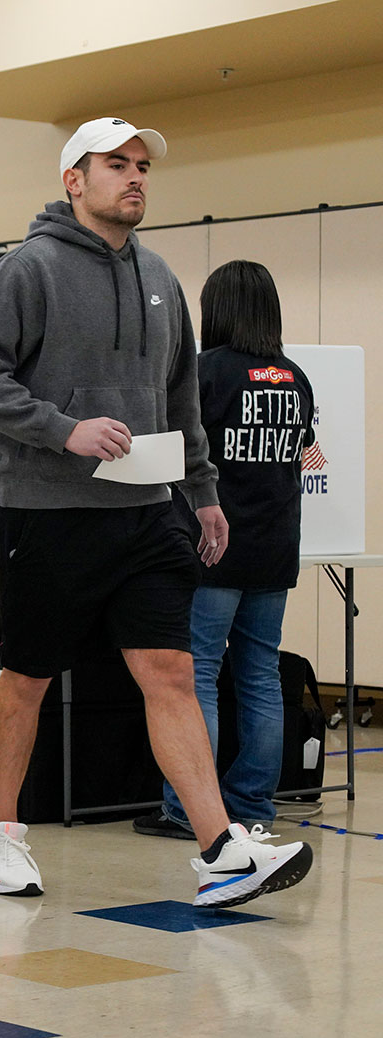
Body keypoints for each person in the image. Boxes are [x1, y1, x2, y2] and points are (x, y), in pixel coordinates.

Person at [0, 117, 312, 908]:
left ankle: (220, 847)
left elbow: (182, 399)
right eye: (117, 164)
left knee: (172, 672)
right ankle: (3, 837)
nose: (136, 177)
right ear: (75, 180)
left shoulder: (161, 280)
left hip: (149, 514)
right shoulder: (27, 270)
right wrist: (64, 429)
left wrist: (205, 493)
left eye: (143, 165)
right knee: (27, 678)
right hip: (48, 513)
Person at [134, 261, 314, 839]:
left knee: (198, 676)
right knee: (260, 673)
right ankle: (254, 804)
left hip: (213, 547)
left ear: (215, 310)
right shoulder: (295, 377)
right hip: (277, 546)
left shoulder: (204, 372)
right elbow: (303, 448)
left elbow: (171, 449)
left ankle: (188, 810)